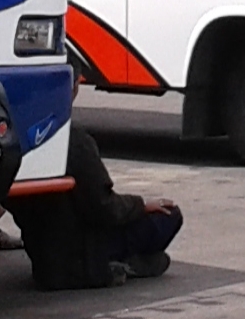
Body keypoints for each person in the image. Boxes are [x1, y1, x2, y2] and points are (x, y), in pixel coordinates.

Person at [10, 100, 183, 290]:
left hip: (44, 256)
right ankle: (115, 263)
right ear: (73, 88)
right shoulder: (74, 141)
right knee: (168, 216)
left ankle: (122, 263)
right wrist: (140, 205)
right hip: (84, 250)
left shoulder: (15, 139)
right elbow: (105, 207)